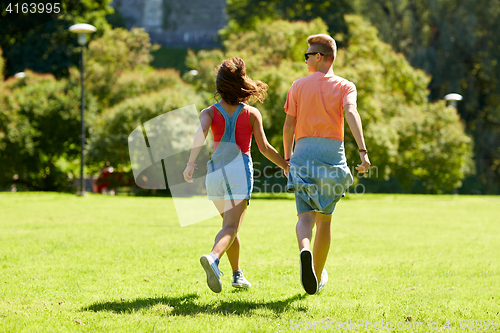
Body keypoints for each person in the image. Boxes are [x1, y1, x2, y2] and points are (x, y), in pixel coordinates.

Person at [183, 57, 289, 293]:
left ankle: (237, 274)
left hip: (214, 174)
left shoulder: (208, 112)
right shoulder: (251, 113)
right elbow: (264, 148)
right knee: (231, 226)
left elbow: (200, 133)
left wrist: (190, 164)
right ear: (242, 84)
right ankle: (213, 258)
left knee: (228, 226)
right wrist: (285, 165)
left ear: (219, 86)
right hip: (239, 170)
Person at [283, 34, 371, 295]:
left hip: (303, 152)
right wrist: (363, 151)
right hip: (332, 154)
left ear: (319, 56)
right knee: (325, 220)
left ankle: (304, 250)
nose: (305, 60)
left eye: (308, 55)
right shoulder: (346, 86)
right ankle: (317, 277)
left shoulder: (298, 86)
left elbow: (288, 126)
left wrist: (288, 158)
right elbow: (351, 113)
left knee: (304, 215)